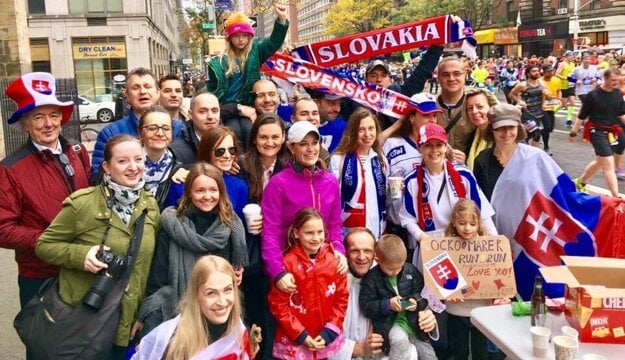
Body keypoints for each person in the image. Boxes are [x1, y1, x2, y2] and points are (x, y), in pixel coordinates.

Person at [35, 135, 160, 358]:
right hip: (84, 321)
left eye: (138, 160)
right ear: (106, 167)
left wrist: (142, 315)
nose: (133, 167)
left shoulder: (150, 206)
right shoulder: (82, 204)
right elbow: (44, 246)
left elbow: (150, 268)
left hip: (127, 323)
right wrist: (81, 255)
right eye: (123, 161)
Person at [0, 72, 91, 312]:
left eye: (53, 115)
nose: (48, 123)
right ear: (25, 123)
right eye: (38, 117)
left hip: (83, 267)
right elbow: (3, 229)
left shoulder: (77, 151)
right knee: (44, 346)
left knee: (86, 342)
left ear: (61, 117)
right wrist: (50, 243)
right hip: (42, 275)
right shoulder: (10, 169)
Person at [137, 162, 247, 337]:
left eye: (213, 190)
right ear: (189, 192)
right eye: (200, 190)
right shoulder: (173, 224)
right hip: (178, 308)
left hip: (218, 311)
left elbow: (236, 274)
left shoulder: (231, 226)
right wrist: (148, 311)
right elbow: (159, 276)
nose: (207, 196)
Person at [261, 120, 347, 290]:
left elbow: (335, 225)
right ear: (291, 148)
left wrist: (339, 250)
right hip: (291, 269)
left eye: (315, 143)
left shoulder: (329, 181)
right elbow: (270, 232)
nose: (311, 149)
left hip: (323, 266)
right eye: (303, 144)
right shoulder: (278, 183)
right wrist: (278, 271)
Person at [133, 255, 256, 360]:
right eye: (211, 293)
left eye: (228, 290)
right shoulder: (171, 341)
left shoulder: (239, 332)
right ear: (196, 295)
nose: (222, 302)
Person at [399, 123, 496, 251]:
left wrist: (496, 243)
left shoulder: (464, 175)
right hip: (431, 245)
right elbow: (408, 218)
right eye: (428, 145)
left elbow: (482, 211)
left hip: (464, 243)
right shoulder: (411, 180)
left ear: (446, 147)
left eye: (439, 145)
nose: (434, 150)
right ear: (419, 148)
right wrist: (422, 237)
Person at [267, 208, 349, 359]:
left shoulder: (335, 261)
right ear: (296, 233)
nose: (316, 238)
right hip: (295, 342)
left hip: (323, 338)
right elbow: (278, 305)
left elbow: (341, 299)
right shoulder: (287, 264)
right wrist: (301, 335)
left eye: (320, 232)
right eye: (309, 233)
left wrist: (329, 332)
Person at [207, 5, 289, 150]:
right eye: (236, 36)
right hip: (227, 108)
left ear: (250, 36)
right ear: (229, 38)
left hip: (249, 106)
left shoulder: (256, 51)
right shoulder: (219, 62)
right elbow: (213, 90)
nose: (241, 39)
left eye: (245, 35)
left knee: (249, 132)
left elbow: (273, 42)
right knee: (232, 134)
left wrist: (281, 20)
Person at [443, 199, 511, 360]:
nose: (467, 228)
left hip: (482, 310)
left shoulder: (490, 247)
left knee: (480, 352)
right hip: (456, 309)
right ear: (453, 222)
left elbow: (498, 274)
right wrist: (446, 292)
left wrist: (502, 293)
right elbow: (439, 277)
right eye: (462, 223)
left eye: (472, 224)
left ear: (479, 224)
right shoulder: (443, 246)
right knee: (459, 352)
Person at [92, 67, 185, 181]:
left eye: (147, 87)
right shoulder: (110, 133)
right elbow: (96, 177)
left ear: (157, 92)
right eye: (136, 88)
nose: (142, 92)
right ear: (126, 94)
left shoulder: (179, 129)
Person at [359, 234, 439, 360]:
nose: (396, 272)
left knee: (427, 354)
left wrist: (415, 302)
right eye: (391, 269)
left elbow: (424, 293)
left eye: (400, 267)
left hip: (414, 322)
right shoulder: (371, 278)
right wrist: (387, 305)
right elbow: (366, 305)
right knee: (400, 342)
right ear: (378, 259)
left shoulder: (410, 270)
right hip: (391, 323)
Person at [330, 108, 387, 239]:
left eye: (371, 128)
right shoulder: (339, 159)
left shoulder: (380, 159)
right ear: (353, 132)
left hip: (377, 229)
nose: (367, 134)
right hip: (349, 231)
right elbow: (334, 197)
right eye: (361, 130)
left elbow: (386, 197)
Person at [569, 67, 625, 197]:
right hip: (596, 130)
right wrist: (573, 132)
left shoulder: (617, 94)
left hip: (612, 131)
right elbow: (581, 116)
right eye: (613, 80)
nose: (615, 83)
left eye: (617, 80)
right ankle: (616, 196)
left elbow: (622, 114)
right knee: (609, 163)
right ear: (605, 78)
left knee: (601, 161)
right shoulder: (593, 95)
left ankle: (580, 182)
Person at [197, 126, 249, 219]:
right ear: (207, 152)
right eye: (220, 151)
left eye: (232, 150)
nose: (227, 155)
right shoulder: (183, 184)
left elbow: (240, 226)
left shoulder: (239, 186)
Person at [138, 106, 183, 211]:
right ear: (140, 132)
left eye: (166, 128)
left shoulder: (179, 166)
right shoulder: (124, 164)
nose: (160, 133)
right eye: (152, 128)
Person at [435, 56, 476, 154]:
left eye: (457, 74)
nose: (451, 78)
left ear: (465, 75)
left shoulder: (478, 105)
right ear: (438, 78)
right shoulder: (429, 109)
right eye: (445, 75)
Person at [170, 92, 221, 167]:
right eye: (202, 112)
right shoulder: (177, 152)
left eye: (214, 111)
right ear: (190, 114)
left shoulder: (230, 144)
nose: (210, 116)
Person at [509, 64, 544, 147]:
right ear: (528, 74)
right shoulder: (523, 85)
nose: (537, 73)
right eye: (534, 71)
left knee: (529, 135)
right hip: (527, 113)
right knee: (537, 134)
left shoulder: (541, 83)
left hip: (538, 113)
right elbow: (511, 94)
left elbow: (546, 96)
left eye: (537, 71)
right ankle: (534, 155)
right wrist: (519, 101)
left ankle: (519, 146)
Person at [464, 88, 499, 170]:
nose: (474, 111)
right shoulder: (472, 135)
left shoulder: (500, 136)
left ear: (492, 108)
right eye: (469, 108)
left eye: (479, 107)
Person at [540, 65, 562, 156]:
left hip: (552, 106)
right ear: (544, 72)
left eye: (552, 71)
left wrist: (559, 99)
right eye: (549, 71)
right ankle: (546, 147)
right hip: (542, 106)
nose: (551, 73)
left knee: (550, 128)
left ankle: (536, 133)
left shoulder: (557, 80)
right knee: (547, 126)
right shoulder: (540, 81)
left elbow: (559, 90)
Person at [555, 50, 577, 127]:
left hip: (571, 86)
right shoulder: (562, 64)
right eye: (570, 56)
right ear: (566, 57)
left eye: (573, 56)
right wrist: (565, 78)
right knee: (563, 105)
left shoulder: (573, 64)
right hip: (563, 86)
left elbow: (574, 75)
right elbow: (557, 74)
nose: (572, 57)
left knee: (572, 102)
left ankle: (569, 120)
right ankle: (551, 112)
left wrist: (575, 80)